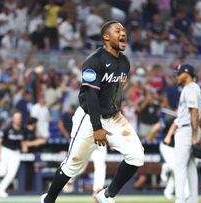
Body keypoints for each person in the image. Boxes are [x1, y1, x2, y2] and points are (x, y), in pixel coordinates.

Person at [40, 20, 144, 203]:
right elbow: (91, 96)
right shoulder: (93, 61)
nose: (123, 33)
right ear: (105, 37)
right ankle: (48, 199)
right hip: (89, 117)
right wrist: (97, 126)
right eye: (117, 30)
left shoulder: (125, 63)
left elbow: (115, 93)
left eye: (124, 30)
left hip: (113, 117)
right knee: (73, 165)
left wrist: (114, 120)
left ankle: (105, 195)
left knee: (137, 156)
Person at [172, 64, 201, 203]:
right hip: (191, 130)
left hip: (186, 131)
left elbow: (194, 112)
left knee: (179, 168)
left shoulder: (190, 88)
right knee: (191, 168)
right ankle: (193, 200)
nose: (177, 76)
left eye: (178, 73)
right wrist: (199, 133)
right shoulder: (196, 88)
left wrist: (194, 136)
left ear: (186, 74)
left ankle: (180, 200)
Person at [0, 111, 30, 198]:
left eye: (19, 118)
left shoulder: (23, 129)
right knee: (2, 172)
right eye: (16, 118)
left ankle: (0, 190)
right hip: (5, 150)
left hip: (16, 153)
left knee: (12, 174)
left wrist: (24, 147)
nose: (17, 120)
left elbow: (23, 140)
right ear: (13, 119)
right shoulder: (7, 128)